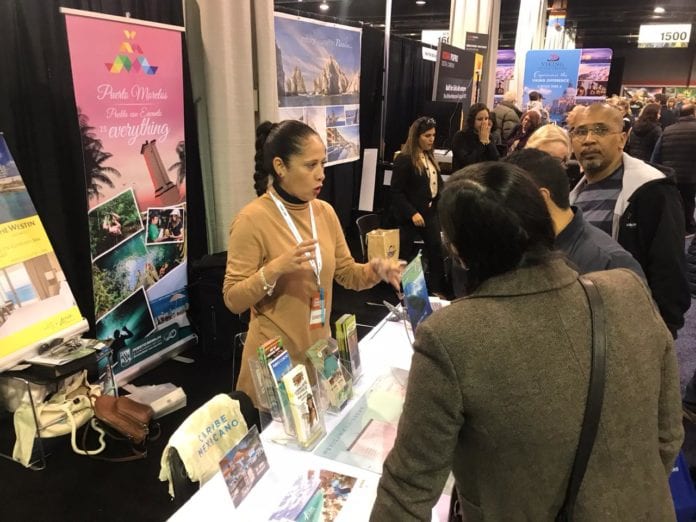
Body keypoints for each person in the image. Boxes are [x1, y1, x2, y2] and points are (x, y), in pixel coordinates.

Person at [370, 162, 683, 521]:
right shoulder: (627, 289)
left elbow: (407, 492)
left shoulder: (450, 336)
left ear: (459, 251)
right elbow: (669, 435)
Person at [223, 120, 401, 406]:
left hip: (319, 357)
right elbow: (233, 299)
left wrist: (374, 270)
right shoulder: (251, 220)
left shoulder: (324, 212)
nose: (321, 174)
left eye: (323, 164)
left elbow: (346, 274)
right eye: (310, 165)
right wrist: (276, 268)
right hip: (276, 366)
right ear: (280, 167)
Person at [569, 103, 690, 338]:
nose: (589, 140)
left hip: (632, 324)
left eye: (601, 130)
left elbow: (669, 267)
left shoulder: (652, 191)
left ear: (622, 139)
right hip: (587, 321)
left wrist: (664, 330)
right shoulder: (575, 193)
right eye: (580, 132)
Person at [506, 149, 646, 278]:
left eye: (506, 203)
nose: (500, 213)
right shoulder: (521, 248)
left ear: (540, 198)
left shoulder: (612, 264)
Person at [387, 116, 448, 294]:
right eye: (427, 136)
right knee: (405, 255)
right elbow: (396, 192)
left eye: (433, 135)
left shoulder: (429, 157)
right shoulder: (404, 159)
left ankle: (437, 289)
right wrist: (412, 213)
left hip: (429, 213)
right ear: (416, 136)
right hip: (409, 216)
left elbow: (436, 186)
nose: (431, 139)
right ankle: (401, 290)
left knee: (436, 251)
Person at [651, 104, 696, 234]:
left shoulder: (668, 130)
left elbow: (656, 154)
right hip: (691, 174)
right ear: (693, 113)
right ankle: (688, 227)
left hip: (671, 174)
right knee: (688, 201)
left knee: (673, 202)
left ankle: (674, 226)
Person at [451, 103, 500, 171]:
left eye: (486, 119)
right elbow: (468, 163)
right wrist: (482, 143)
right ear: (472, 120)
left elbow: (496, 160)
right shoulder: (460, 136)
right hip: (465, 175)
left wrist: (488, 142)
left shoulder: (489, 137)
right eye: (480, 119)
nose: (484, 122)